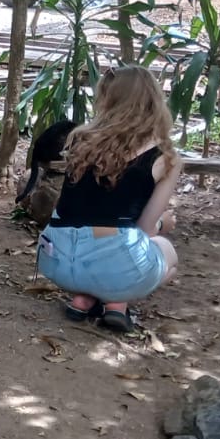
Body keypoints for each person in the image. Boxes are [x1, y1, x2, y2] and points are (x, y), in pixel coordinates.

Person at [37, 66, 180, 333]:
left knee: (106, 240)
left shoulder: (79, 139)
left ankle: (85, 299)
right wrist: (163, 224)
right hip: (115, 258)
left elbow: (78, 206)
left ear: (107, 99)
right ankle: (116, 302)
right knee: (166, 252)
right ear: (154, 101)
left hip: (55, 260)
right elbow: (145, 229)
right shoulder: (165, 157)